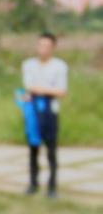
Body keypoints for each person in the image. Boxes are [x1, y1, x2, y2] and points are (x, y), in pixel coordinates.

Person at [21, 31, 68, 198]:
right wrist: (42, 90)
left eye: (47, 45)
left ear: (53, 47)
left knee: (51, 150)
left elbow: (61, 91)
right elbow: (28, 87)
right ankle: (33, 183)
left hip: (50, 111)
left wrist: (39, 90)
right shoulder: (28, 65)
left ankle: (52, 187)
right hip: (33, 111)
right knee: (33, 148)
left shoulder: (59, 66)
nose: (43, 49)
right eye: (40, 45)